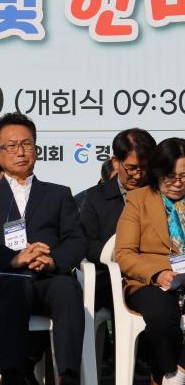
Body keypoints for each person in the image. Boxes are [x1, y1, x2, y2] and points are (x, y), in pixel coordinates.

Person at [0, 113, 87, 385]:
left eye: (27, 144)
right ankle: (13, 376)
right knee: (14, 287)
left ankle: (68, 377)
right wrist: (14, 259)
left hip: (45, 277)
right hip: (0, 279)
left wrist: (52, 261)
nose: (20, 152)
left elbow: (76, 239)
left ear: (36, 149)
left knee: (67, 289)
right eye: (11, 146)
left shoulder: (58, 194)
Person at [115, 137, 185, 385]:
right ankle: (168, 372)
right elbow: (124, 253)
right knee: (161, 317)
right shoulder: (139, 200)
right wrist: (158, 274)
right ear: (156, 173)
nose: (178, 183)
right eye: (170, 177)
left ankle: (176, 373)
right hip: (151, 280)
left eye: (184, 176)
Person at [80, 129, 156, 310]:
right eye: (132, 168)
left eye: (145, 168)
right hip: (110, 277)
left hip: (155, 275)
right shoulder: (94, 197)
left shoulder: (161, 194)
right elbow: (85, 243)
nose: (138, 175)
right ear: (115, 162)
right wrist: (121, 254)